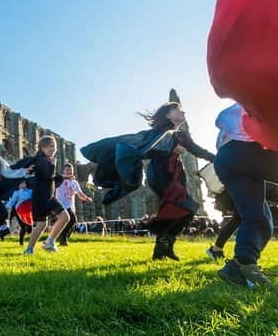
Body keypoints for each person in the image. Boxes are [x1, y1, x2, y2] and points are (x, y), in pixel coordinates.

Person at [82, 101, 215, 261]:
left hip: (176, 174)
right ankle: (162, 240)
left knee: (183, 210)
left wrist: (218, 158)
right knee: (184, 206)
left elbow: (199, 151)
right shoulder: (157, 133)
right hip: (159, 173)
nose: (183, 112)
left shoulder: (183, 136)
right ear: (167, 115)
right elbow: (145, 149)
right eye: (177, 110)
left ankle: (162, 248)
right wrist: (169, 150)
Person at [211, 103, 278, 288]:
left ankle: (241, 267)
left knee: (258, 217)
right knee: (256, 216)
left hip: (227, 157)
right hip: (248, 147)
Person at [22, 136, 69, 255]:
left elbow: (52, 179)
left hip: (50, 198)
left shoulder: (47, 160)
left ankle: (49, 242)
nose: (53, 149)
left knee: (65, 217)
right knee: (41, 225)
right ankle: (29, 249)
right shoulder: (40, 160)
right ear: (42, 148)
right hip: (40, 199)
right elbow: (47, 175)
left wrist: (63, 177)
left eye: (55, 147)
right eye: (50, 146)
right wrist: (53, 165)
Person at [55, 163, 93, 246]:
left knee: (72, 222)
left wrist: (86, 198)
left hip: (70, 206)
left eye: (71, 170)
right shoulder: (60, 180)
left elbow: (80, 194)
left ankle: (63, 238)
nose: (69, 172)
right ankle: (62, 238)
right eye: (67, 170)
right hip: (59, 205)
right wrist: (65, 177)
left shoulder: (74, 182)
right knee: (72, 219)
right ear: (63, 171)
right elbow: (55, 179)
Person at [6, 180, 33, 246]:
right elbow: (13, 200)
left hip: (28, 211)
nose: (23, 185)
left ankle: (31, 241)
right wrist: (8, 206)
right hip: (19, 211)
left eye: (24, 184)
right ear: (18, 185)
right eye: (21, 184)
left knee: (30, 226)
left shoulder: (30, 191)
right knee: (23, 227)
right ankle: (21, 242)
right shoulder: (16, 192)